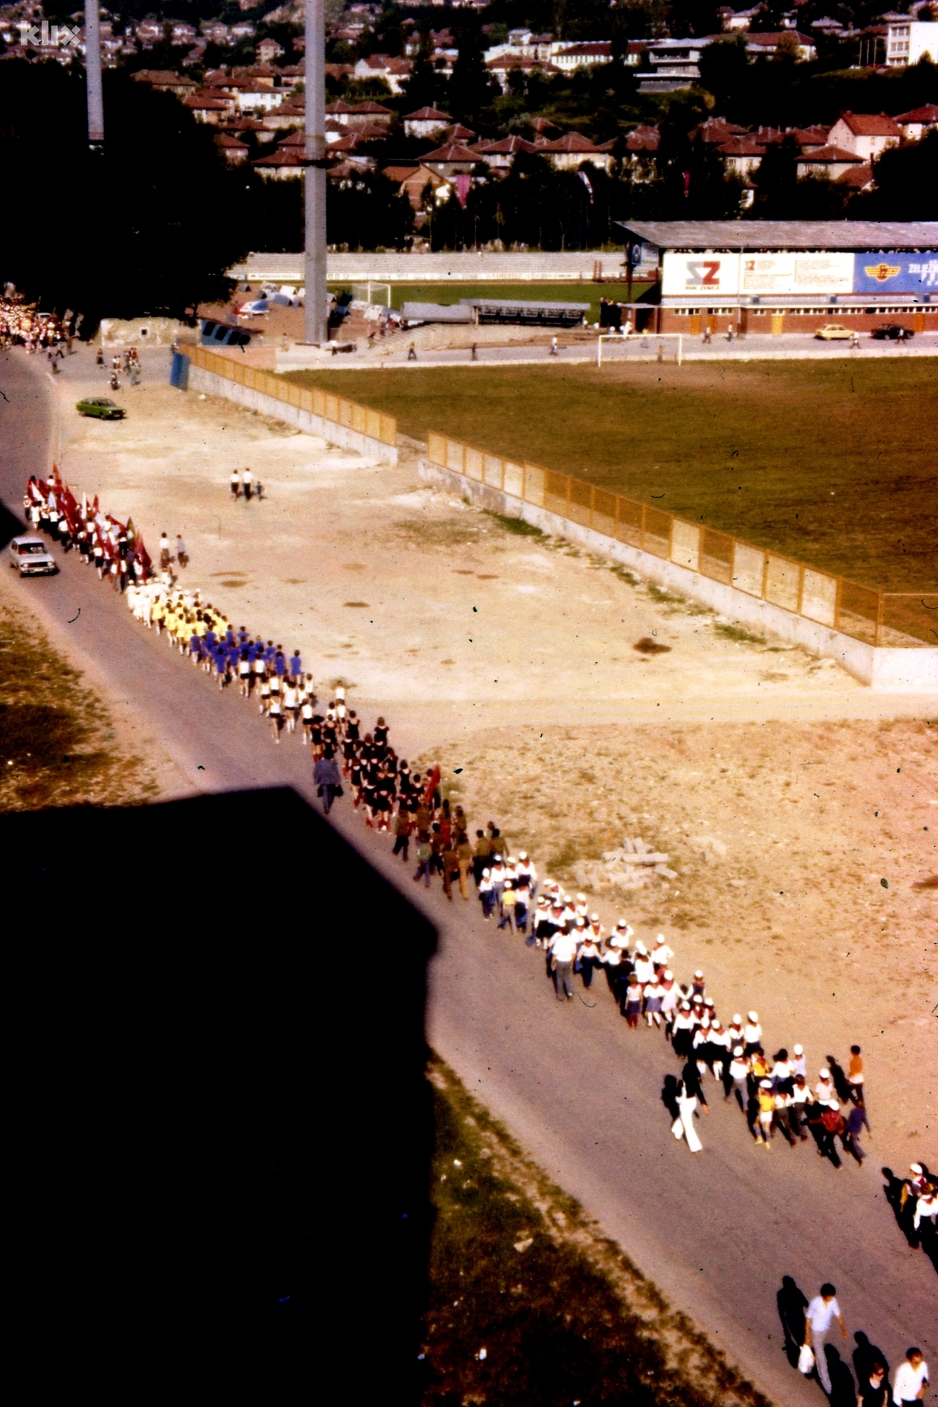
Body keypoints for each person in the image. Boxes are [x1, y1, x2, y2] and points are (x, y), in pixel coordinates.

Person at [804, 1283, 847, 1396]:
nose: (831, 1298)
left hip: (824, 1331)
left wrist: (843, 1329)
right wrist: (807, 1335)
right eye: (829, 1296)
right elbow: (808, 1319)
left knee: (818, 1352)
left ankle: (809, 1364)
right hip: (815, 1332)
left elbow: (839, 1316)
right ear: (824, 1295)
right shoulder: (815, 1303)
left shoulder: (833, 1301)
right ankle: (829, 1389)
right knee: (822, 1361)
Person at [671, 1079, 702, 1154]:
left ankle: (676, 1130)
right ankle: (695, 1147)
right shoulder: (682, 1087)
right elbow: (678, 1099)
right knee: (689, 1127)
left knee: (684, 1120)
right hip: (685, 1109)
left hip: (689, 1108)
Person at [548, 925, 578, 1001]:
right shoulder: (571, 941)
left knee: (559, 978)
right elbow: (574, 953)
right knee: (567, 977)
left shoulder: (558, 941)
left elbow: (554, 954)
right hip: (568, 961)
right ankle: (569, 993)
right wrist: (572, 961)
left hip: (560, 961)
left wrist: (552, 963)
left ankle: (560, 995)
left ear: (561, 931)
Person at [314, 746, 342, 814]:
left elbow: (316, 771)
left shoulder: (319, 762)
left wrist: (316, 778)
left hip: (323, 779)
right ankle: (329, 801)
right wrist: (337, 781)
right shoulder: (332, 764)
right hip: (331, 780)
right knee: (330, 792)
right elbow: (335, 772)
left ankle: (326, 806)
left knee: (325, 792)